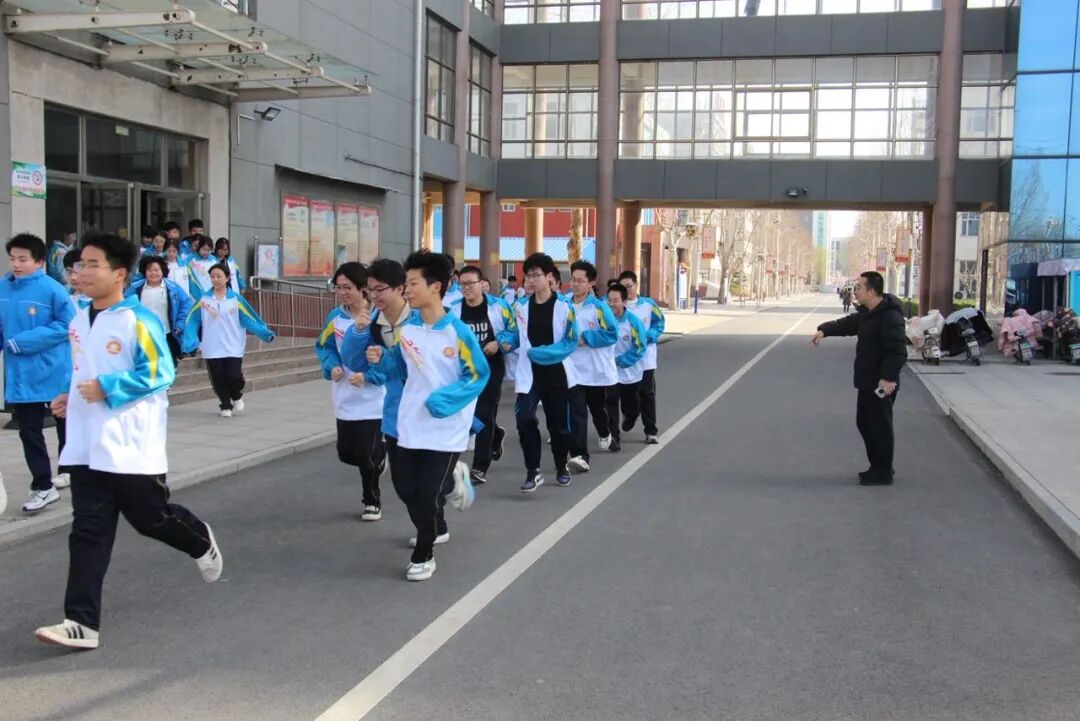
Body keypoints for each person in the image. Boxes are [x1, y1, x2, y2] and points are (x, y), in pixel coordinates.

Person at [34, 231, 222, 651]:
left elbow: (160, 373)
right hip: (86, 445)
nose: (81, 272)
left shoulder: (139, 320)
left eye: (92, 265)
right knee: (87, 532)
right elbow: (84, 371)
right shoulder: (79, 320)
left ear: (119, 274)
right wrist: (68, 395)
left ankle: (199, 540)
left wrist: (108, 387)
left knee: (150, 518)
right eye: (79, 265)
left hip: (131, 445)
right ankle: (81, 623)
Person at [364, 250, 488, 582]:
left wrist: (445, 401)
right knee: (406, 490)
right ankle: (448, 492)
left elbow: (478, 375)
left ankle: (424, 553)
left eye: (413, 283)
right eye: (406, 283)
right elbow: (399, 368)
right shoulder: (408, 329)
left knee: (428, 494)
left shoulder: (458, 333)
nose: (407, 289)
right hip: (410, 422)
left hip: (446, 427)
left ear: (436, 287)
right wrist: (381, 359)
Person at [1, 233, 75, 512]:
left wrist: (23, 342)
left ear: (40, 262)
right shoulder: (3, 288)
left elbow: (67, 325)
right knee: (29, 432)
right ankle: (43, 486)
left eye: (23, 259)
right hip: (21, 374)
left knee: (65, 424)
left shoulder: (53, 289)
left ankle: (69, 469)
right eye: (13, 259)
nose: (16, 264)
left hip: (54, 369)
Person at [811, 271, 907, 486]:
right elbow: (847, 324)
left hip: (881, 383)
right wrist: (824, 330)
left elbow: (898, 351)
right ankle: (878, 466)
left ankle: (883, 472)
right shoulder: (868, 313)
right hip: (866, 380)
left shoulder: (889, 317)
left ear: (872, 291)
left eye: (859, 287)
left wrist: (888, 377)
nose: (855, 291)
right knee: (865, 423)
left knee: (879, 427)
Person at [316, 262, 388, 522]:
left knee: (366, 457)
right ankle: (380, 456)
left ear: (362, 288)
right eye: (339, 287)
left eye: (347, 287)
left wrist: (370, 376)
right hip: (345, 394)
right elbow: (324, 347)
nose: (342, 292)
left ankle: (371, 501)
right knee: (347, 453)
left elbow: (388, 355)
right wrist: (331, 366)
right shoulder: (335, 317)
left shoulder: (378, 318)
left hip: (373, 397)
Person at [514, 252, 580, 492]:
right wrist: (502, 342)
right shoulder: (520, 306)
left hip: (556, 373)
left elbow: (571, 341)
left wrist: (543, 353)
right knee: (524, 419)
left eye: (536, 275)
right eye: (528, 276)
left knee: (558, 426)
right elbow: (515, 334)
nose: (531, 280)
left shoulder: (564, 306)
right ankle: (533, 471)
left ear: (549, 277)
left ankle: (561, 466)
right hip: (529, 374)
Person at [448, 265, 518, 484]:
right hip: (464, 370)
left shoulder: (499, 307)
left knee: (484, 412)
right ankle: (495, 435)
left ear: (482, 284)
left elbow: (515, 332)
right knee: (464, 413)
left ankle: (480, 467)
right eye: (463, 284)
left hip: (491, 367)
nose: (467, 288)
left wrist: (499, 343)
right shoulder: (453, 311)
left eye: (471, 283)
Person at [182, 262, 275, 417]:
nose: (215, 280)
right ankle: (225, 404)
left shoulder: (236, 300)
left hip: (233, 345)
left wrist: (264, 333)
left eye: (219, 276)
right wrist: (190, 340)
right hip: (212, 346)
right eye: (212, 277)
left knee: (233, 376)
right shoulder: (204, 300)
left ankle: (236, 395)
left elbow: (249, 319)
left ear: (227, 278)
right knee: (217, 379)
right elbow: (192, 320)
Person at [566, 260, 618, 470]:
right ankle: (580, 455)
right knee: (576, 411)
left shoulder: (599, 308)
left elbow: (612, 334)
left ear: (591, 283)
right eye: (573, 280)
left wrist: (586, 337)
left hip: (595, 370)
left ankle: (604, 431)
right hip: (572, 369)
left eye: (580, 281)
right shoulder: (564, 305)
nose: (575, 284)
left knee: (597, 408)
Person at [619, 270, 665, 444]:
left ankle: (651, 431)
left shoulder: (648, 304)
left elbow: (659, 323)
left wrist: (647, 336)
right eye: (622, 287)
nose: (626, 290)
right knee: (627, 394)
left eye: (629, 286)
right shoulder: (615, 306)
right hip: (624, 358)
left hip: (645, 359)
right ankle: (630, 415)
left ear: (636, 285)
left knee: (647, 393)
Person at [604, 282, 647, 453]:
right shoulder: (603, 320)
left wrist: (621, 361)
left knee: (630, 405)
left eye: (615, 300)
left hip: (630, 373)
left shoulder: (633, 322)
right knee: (610, 402)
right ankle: (614, 437)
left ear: (624, 302)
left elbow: (639, 347)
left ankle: (631, 416)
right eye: (609, 300)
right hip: (610, 373)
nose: (612, 304)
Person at [128, 256, 194, 367]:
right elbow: (125, 305)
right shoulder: (135, 288)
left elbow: (187, 303)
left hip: (167, 334)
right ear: (144, 271)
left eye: (156, 270)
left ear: (162, 270)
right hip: (143, 335)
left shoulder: (173, 288)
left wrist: (180, 324)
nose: (153, 273)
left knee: (168, 366)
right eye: (149, 270)